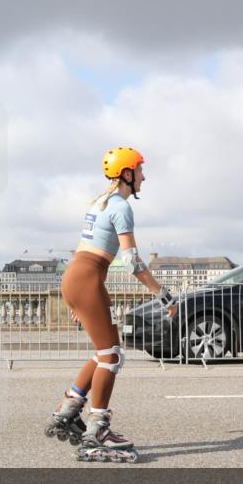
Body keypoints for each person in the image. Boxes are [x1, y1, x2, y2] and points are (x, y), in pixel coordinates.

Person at [43, 147, 178, 463]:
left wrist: (74, 298)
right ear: (127, 174)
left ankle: (69, 408)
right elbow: (132, 262)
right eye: (140, 171)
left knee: (105, 352)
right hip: (88, 278)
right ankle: (98, 429)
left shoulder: (98, 203)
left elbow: (83, 252)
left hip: (78, 277)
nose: (144, 176)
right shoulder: (120, 207)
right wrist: (163, 294)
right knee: (113, 355)